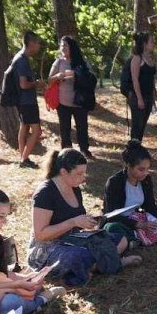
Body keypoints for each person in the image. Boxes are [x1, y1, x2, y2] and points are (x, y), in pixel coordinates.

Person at [29, 149, 142, 285]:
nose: (84, 178)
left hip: (74, 238)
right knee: (80, 256)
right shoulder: (45, 193)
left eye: (84, 173)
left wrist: (88, 221)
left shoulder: (74, 187)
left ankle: (99, 265)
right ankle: (114, 262)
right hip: (48, 247)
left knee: (120, 239)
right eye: (79, 173)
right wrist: (72, 222)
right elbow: (40, 234)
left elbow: (77, 218)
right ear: (64, 172)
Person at [103, 140, 157, 246]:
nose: (145, 173)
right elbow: (111, 215)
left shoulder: (146, 180)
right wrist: (139, 225)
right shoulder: (114, 182)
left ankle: (136, 239)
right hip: (124, 222)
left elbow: (149, 206)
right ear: (128, 166)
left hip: (142, 216)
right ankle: (139, 237)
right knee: (112, 228)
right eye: (141, 169)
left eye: (147, 169)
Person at [49, 35, 94, 158]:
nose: (63, 48)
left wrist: (78, 76)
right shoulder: (59, 62)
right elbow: (49, 80)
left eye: (65, 46)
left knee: (82, 127)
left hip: (80, 101)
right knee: (65, 128)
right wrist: (57, 76)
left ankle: (84, 149)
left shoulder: (82, 61)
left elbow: (91, 78)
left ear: (72, 47)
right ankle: (66, 152)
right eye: (61, 45)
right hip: (63, 102)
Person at [12, 31, 46, 168]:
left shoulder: (20, 58)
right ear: (31, 43)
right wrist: (37, 83)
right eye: (37, 42)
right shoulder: (22, 61)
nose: (39, 45)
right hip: (27, 102)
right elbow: (23, 84)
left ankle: (23, 157)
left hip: (22, 101)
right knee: (37, 131)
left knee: (24, 128)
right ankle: (24, 159)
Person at [127, 32, 157, 143]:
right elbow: (135, 79)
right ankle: (133, 149)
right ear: (145, 44)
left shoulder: (150, 58)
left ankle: (138, 147)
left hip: (148, 97)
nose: (154, 44)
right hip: (138, 97)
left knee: (142, 125)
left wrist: (153, 97)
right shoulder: (137, 58)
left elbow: (151, 79)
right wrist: (139, 98)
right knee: (137, 125)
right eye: (152, 42)